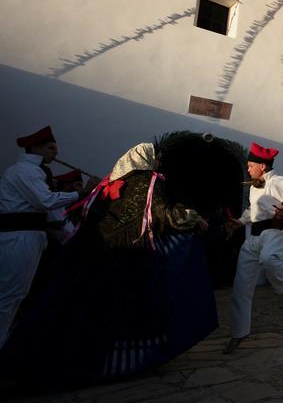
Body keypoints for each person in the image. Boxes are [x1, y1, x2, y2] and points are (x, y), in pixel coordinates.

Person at [1, 142, 215, 384]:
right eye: (156, 158)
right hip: (126, 259)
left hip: (95, 257)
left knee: (88, 311)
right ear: (146, 159)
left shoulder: (109, 184)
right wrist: (195, 219)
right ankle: (120, 362)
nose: (158, 163)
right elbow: (161, 214)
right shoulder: (147, 181)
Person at [0, 126, 95, 348]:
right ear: (35, 148)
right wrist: (80, 192)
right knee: (10, 294)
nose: (55, 153)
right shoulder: (25, 171)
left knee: (15, 293)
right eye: (51, 148)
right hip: (19, 237)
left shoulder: (35, 172)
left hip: (28, 236)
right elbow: (46, 201)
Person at [224, 142, 283, 354]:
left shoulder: (281, 182)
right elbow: (253, 210)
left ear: (262, 166)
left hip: (275, 234)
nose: (248, 168)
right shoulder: (255, 186)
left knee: (269, 259)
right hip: (254, 237)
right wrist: (239, 221)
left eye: (251, 165)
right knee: (240, 289)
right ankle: (239, 333)